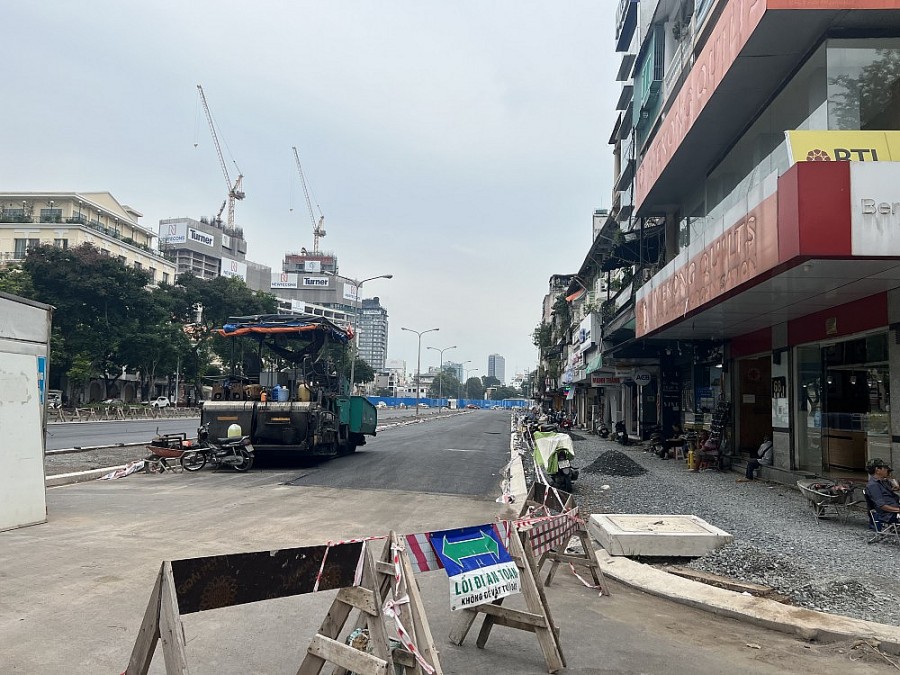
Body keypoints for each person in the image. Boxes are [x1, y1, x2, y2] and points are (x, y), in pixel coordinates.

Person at [866, 458, 900, 528]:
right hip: (890, 514)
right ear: (877, 470)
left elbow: (896, 487)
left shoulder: (883, 482)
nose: (887, 469)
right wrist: (898, 510)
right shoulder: (873, 485)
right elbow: (882, 506)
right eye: (885, 468)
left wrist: (893, 480)